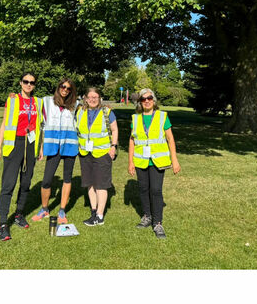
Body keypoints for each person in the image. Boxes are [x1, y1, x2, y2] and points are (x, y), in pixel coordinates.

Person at [0, 72, 44, 241]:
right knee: (8, 184)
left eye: (32, 82)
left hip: (30, 145)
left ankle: (19, 214)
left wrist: (41, 147)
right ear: (20, 82)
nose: (29, 84)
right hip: (14, 144)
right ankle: (2, 223)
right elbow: (4, 123)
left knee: (26, 182)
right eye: (26, 81)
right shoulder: (12, 100)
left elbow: (40, 127)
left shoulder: (38, 102)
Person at [128, 88, 181, 239]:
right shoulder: (136, 118)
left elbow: (170, 138)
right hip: (141, 161)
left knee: (156, 190)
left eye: (149, 98)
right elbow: (132, 140)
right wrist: (130, 161)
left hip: (158, 160)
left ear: (154, 100)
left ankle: (157, 223)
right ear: (139, 102)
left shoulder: (162, 116)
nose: (146, 101)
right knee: (143, 189)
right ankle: (147, 216)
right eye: (143, 99)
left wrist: (174, 160)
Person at [31, 78, 79, 224]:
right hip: (52, 146)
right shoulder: (46, 101)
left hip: (69, 145)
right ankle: (44, 209)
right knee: (46, 180)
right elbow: (29, 101)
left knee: (67, 178)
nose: (65, 90)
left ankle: (62, 211)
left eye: (68, 88)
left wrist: (105, 106)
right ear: (58, 87)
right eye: (63, 87)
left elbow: (93, 106)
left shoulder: (76, 105)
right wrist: (14, 97)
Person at [76, 88, 118, 226]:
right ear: (85, 98)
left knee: (101, 184)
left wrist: (113, 146)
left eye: (96, 97)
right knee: (89, 183)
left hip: (102, 153)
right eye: (90, 97)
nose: (93, 99)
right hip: (85, 153)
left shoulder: (107, 112)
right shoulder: (80, 111)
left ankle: (100, 215)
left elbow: (114, 129)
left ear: (100, 98)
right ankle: (93, 211)